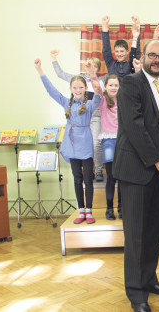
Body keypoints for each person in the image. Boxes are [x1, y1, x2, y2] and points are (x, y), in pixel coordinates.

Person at [112, 39, 159, 312]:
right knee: (136, 236)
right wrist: (157, 161)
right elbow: (134, 126)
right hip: (137, 170)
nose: (156, 60)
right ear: (143, 56)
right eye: (152, 55)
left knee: (153, 233)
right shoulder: (130, 83)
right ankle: (136, 293)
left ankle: (149, 279)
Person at [34, 58, 101, 224]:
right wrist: (39, 70)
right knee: (77, 178)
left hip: (85, 144)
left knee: (87, 179)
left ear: (86, 88)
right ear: (70, 89)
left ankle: (90, 210)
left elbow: (99, 98)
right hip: (71, 145)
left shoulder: (91, 103)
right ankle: (81, 211)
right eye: (74, 88)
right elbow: (51, 91)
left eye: (81, 87)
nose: (78, 90)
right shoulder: (66, 103)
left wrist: (92, 74)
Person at [50, 51, 106, 182]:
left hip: (95, 115)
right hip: (81, 116)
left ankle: (98, 170)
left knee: (96, 142)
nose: (91, 68)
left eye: (95, 66)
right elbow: (60, 74)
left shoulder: (100, 80)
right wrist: (53, 58)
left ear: (97, 68)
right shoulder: (78, 79)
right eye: (89, 65)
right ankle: (88, 170)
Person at [86, 61, 122, 220]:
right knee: (112, 177)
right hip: (108, 141)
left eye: (116, 85)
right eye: (111, 85)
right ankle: (109, 208)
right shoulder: (102, 100)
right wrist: (92, 73)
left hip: (123, 141)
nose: (114, 87)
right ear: (106, 87)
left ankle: (121, 207)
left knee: (122, 178)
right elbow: (97, 87)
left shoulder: (123, 100)